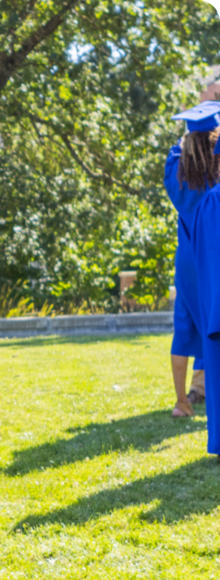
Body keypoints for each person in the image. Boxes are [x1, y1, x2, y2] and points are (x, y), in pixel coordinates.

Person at [167, 102, 220, 447]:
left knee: (184, 325)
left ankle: (182, 401)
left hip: (187, 253)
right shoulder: (215, 172)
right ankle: (205, 389)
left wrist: (188, 137)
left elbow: (174, 153)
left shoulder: (179, 171)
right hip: (212, 253)